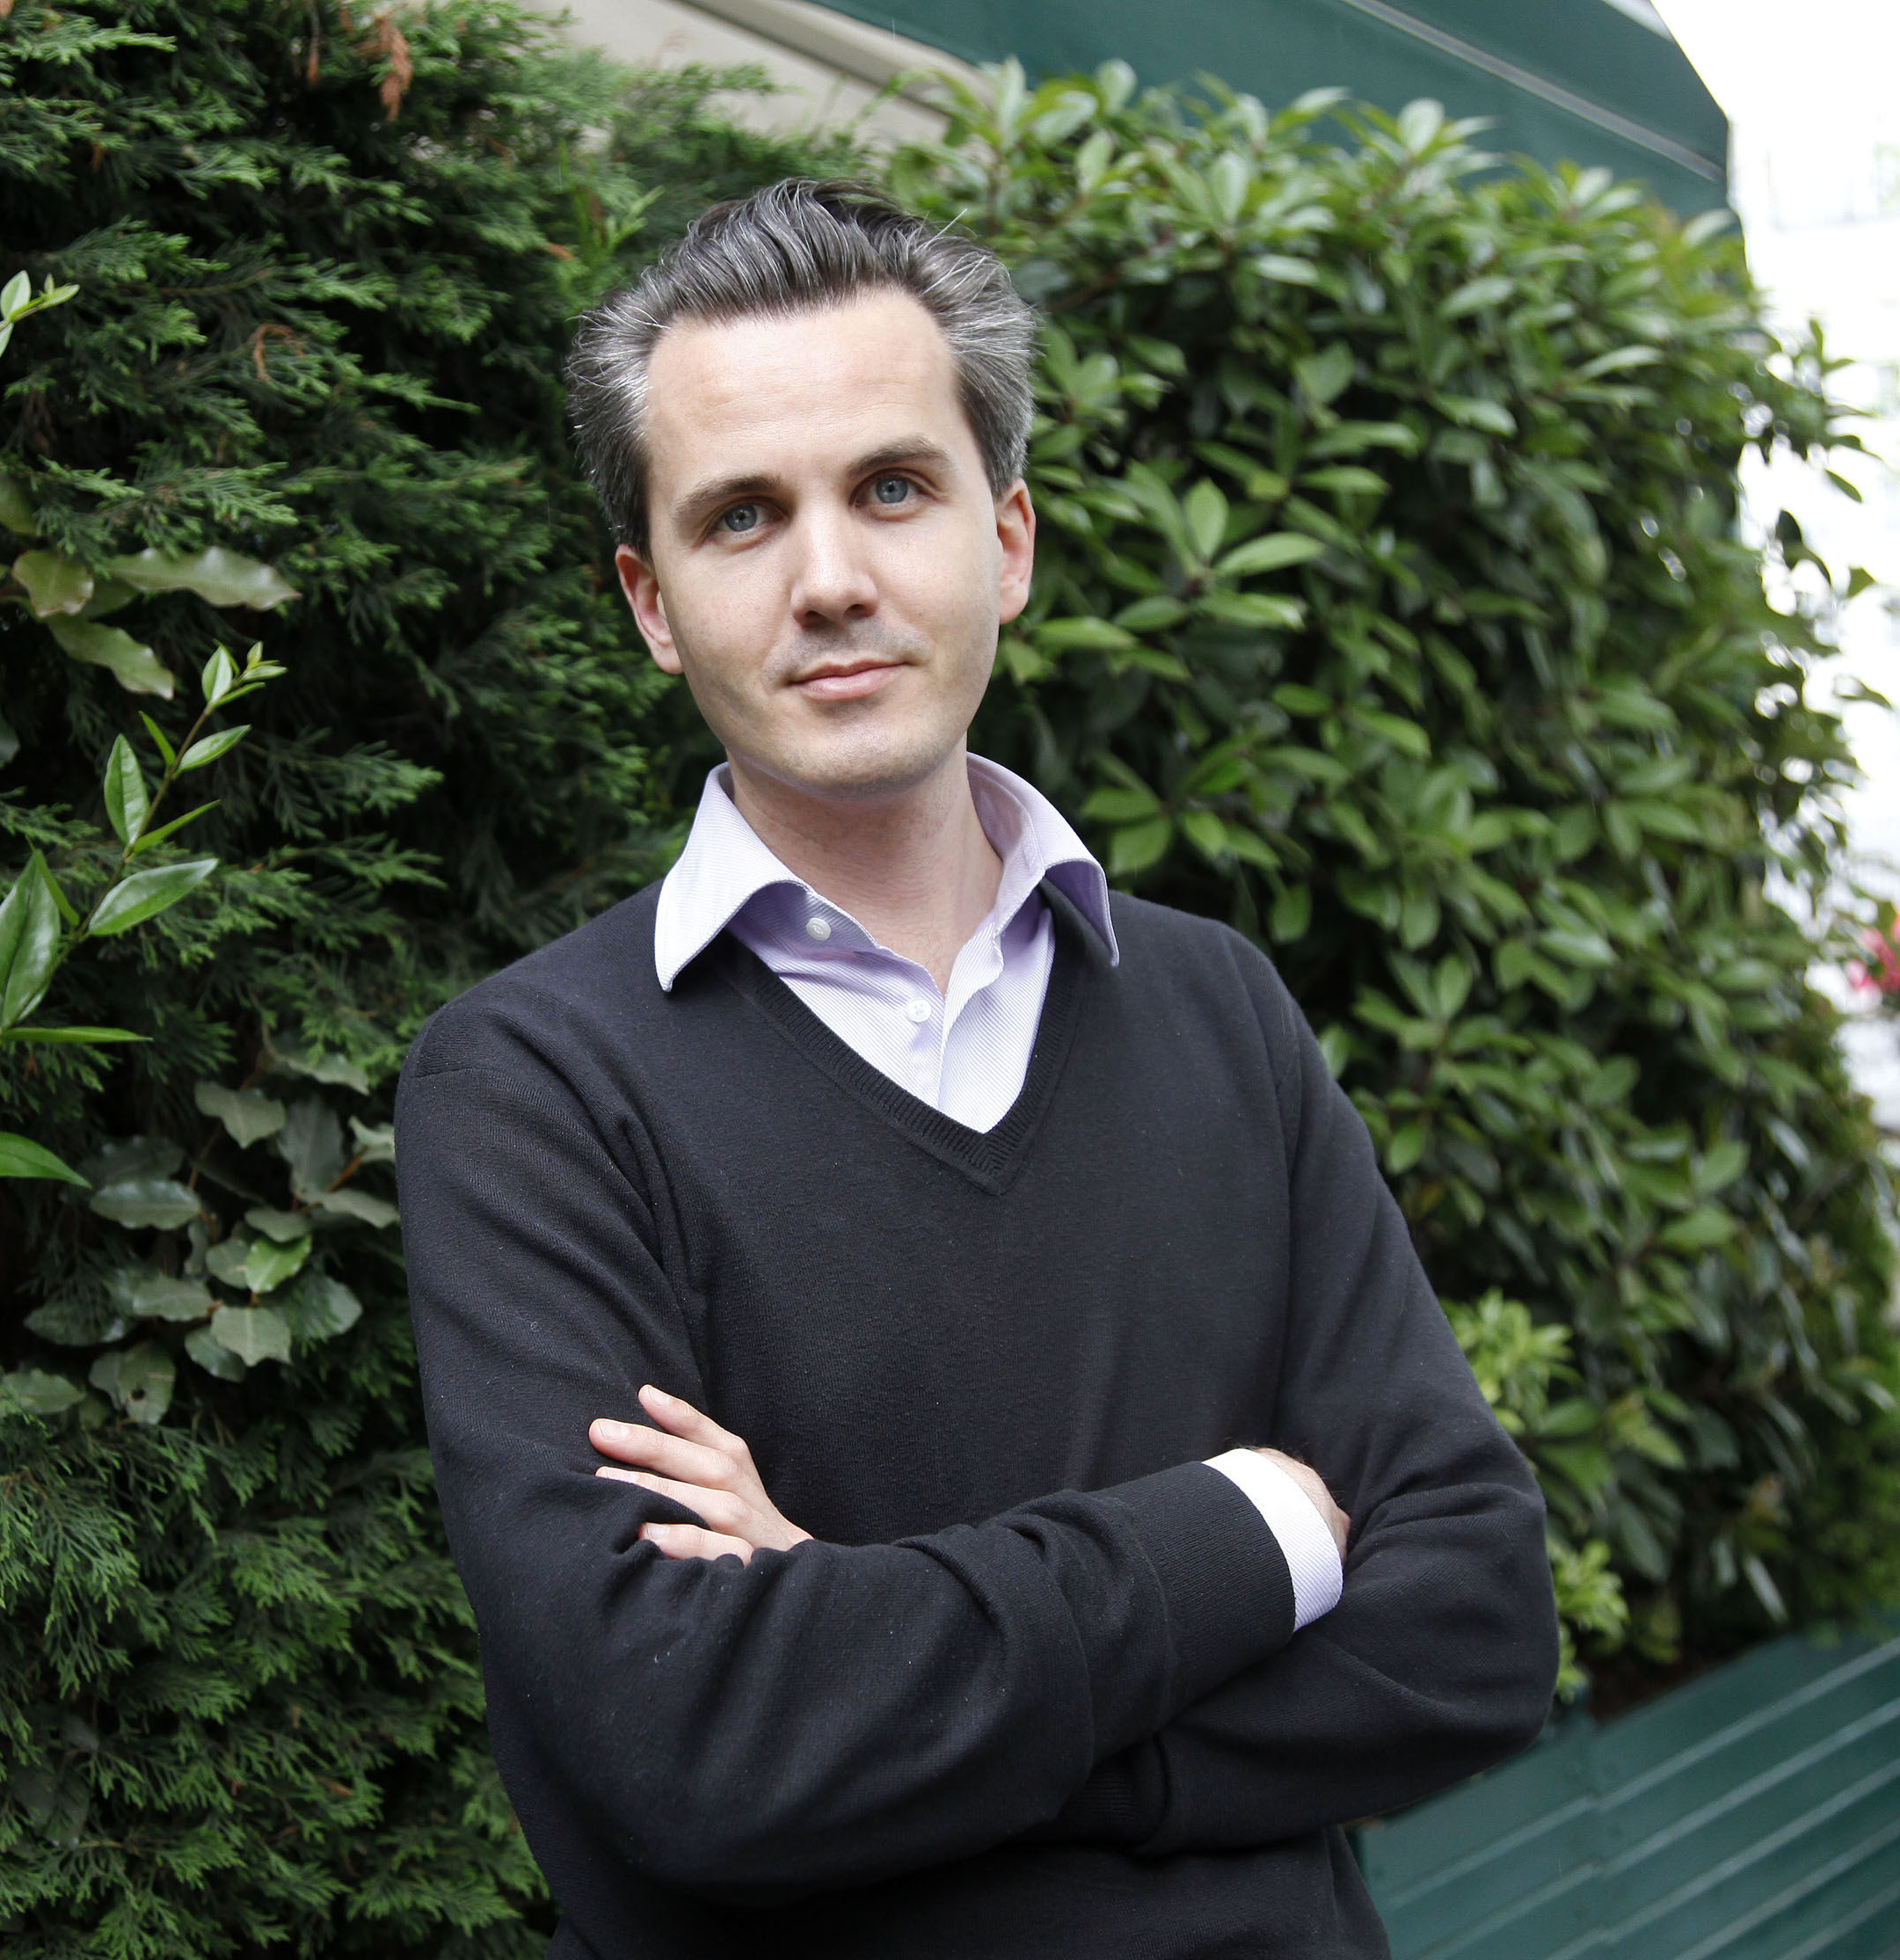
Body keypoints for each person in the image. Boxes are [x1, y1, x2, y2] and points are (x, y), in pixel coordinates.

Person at [393, 179, 1558, 1959]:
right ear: (650, 601)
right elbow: (693, 1744)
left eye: (891, 487)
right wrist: (1246, 1528)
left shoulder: (1217, 1012)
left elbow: (1474, 1623)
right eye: (738, 517)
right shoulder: (533, 1091)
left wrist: (886, 1669)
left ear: (1005, 541)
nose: (828, 580)